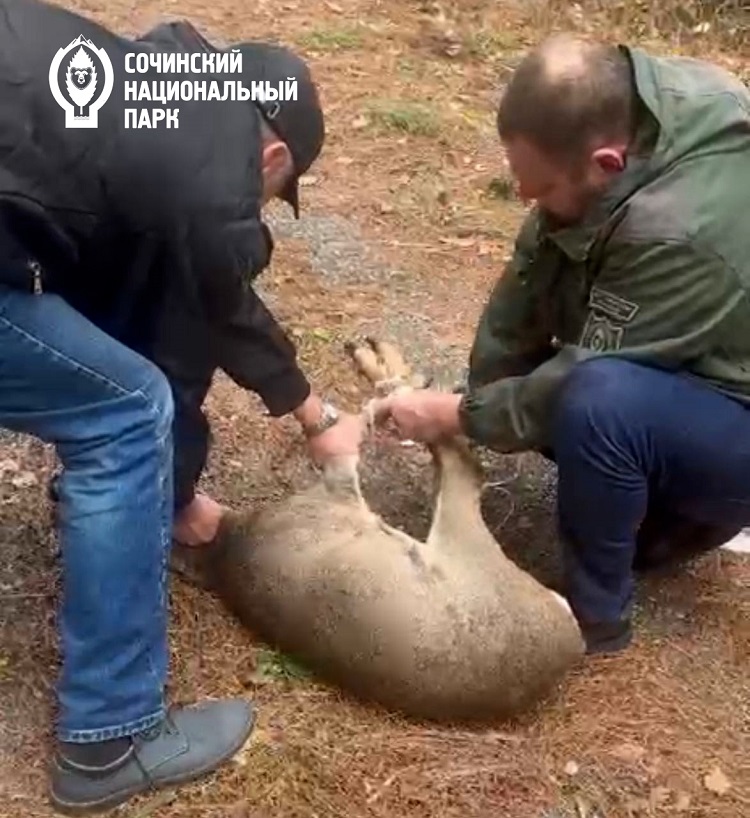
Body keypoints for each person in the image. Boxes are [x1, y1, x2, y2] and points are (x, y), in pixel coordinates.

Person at [0, 0, 362, 813]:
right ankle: (110, 737)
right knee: (129, 415)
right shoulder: (211, 169)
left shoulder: (140, 93)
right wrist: (317, 417)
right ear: (272, 153)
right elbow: (211, 307)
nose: (261, 207)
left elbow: (128, 297)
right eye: (276, 192)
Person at [371, 35, 750, 656]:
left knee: (598, 403)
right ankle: (659, 519)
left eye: (540, 188)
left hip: (736, 406)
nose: (529, 201)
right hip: (690, 362)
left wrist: (461, 414)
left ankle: (596, 621)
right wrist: (483, 404)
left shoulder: (681, 231)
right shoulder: (632, 110)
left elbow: (594, 372)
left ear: (606, 162)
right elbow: (531, 270)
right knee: (577, 401)